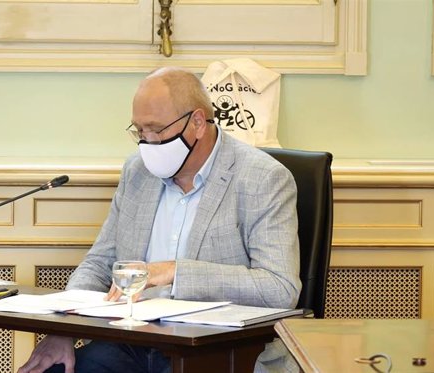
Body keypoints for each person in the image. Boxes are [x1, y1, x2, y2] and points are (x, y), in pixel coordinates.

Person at [18, 67, 300, 373]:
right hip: (133, 340)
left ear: (197, 123)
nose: (148, 142)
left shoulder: (262, 178)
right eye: (139, 131)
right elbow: (100, 263)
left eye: (156, 129)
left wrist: (175, 272)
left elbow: (280, 289)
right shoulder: (137, 170)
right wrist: (64, 331)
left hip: (216, 347)